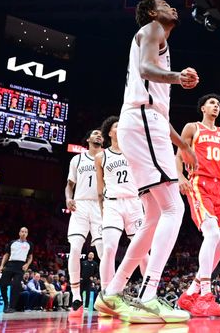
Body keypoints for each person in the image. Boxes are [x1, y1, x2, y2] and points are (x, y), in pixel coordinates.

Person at [95, 0, 198, 324]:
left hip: (142, 124)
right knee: (174, 208)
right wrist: (178, 76)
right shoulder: (153, 29)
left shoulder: (153, 38)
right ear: (153, 12)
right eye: (166, 4)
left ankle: (112, 292)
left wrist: (182, 144)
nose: (173, 8)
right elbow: (146, 71)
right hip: (142, 125)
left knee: (153, 217)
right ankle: (149, 295)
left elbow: (154, 104)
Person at [176, 94, 220, 317]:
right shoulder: (192, 127)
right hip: (198, 183)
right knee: (212, 234)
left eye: (218, 104)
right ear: (203, 107)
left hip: (218, 188)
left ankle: (190, 292)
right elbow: (179, 154)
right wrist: (179, 176)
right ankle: (205, 294)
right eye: (212, 103)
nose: (216, 106)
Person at [94, 115, 147, 306]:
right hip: (112, 204)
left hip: (134, 203)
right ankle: (108, 293)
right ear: (110, 132)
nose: (121, 128)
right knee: (109, 248)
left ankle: (148, 295)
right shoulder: (101, 157)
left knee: (143, 253)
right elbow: (100, 189)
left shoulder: (134, 151)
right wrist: (102, 210)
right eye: (117, 126)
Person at [65, 129, 105, 316]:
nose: (99, 136)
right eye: (95, 133)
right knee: (74, 249)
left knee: (104, 250)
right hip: (80, 206)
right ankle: (75, 296)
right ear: (88, 139)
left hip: (100, 206)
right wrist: (68, 198)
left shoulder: (108, 157)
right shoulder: (77, 159)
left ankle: (107, 293)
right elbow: (69, 185)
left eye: (101, 134)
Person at [0, 227, 33, 313]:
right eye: (22, 231)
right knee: (3, 284)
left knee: (16, 286)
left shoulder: (29, 244)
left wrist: (27, 264)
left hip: (20, 266)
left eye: (25, 232)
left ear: (27, 234)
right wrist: (2, 265)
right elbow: (6, 255)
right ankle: (5, 303)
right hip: (10, 264)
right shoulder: (12, 242)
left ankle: (12, 307)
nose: (24, 233)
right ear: (19, 233)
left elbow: (30, 257)